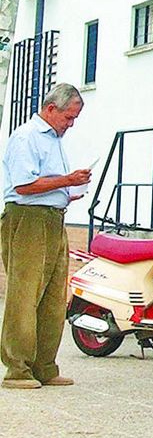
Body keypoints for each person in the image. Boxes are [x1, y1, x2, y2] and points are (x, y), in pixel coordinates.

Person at [2, 83, 88, 390]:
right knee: (25, 294)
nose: (71, 124)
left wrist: (68, 189)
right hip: (28, 218)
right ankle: (17, 368)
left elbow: (46, 183)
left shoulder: (54, 140)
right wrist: (66, 180)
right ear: (51, 109)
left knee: (53, 297)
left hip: (53, 217)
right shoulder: (26, 137)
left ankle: (44, 365)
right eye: (68, 117)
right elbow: (23, 185)